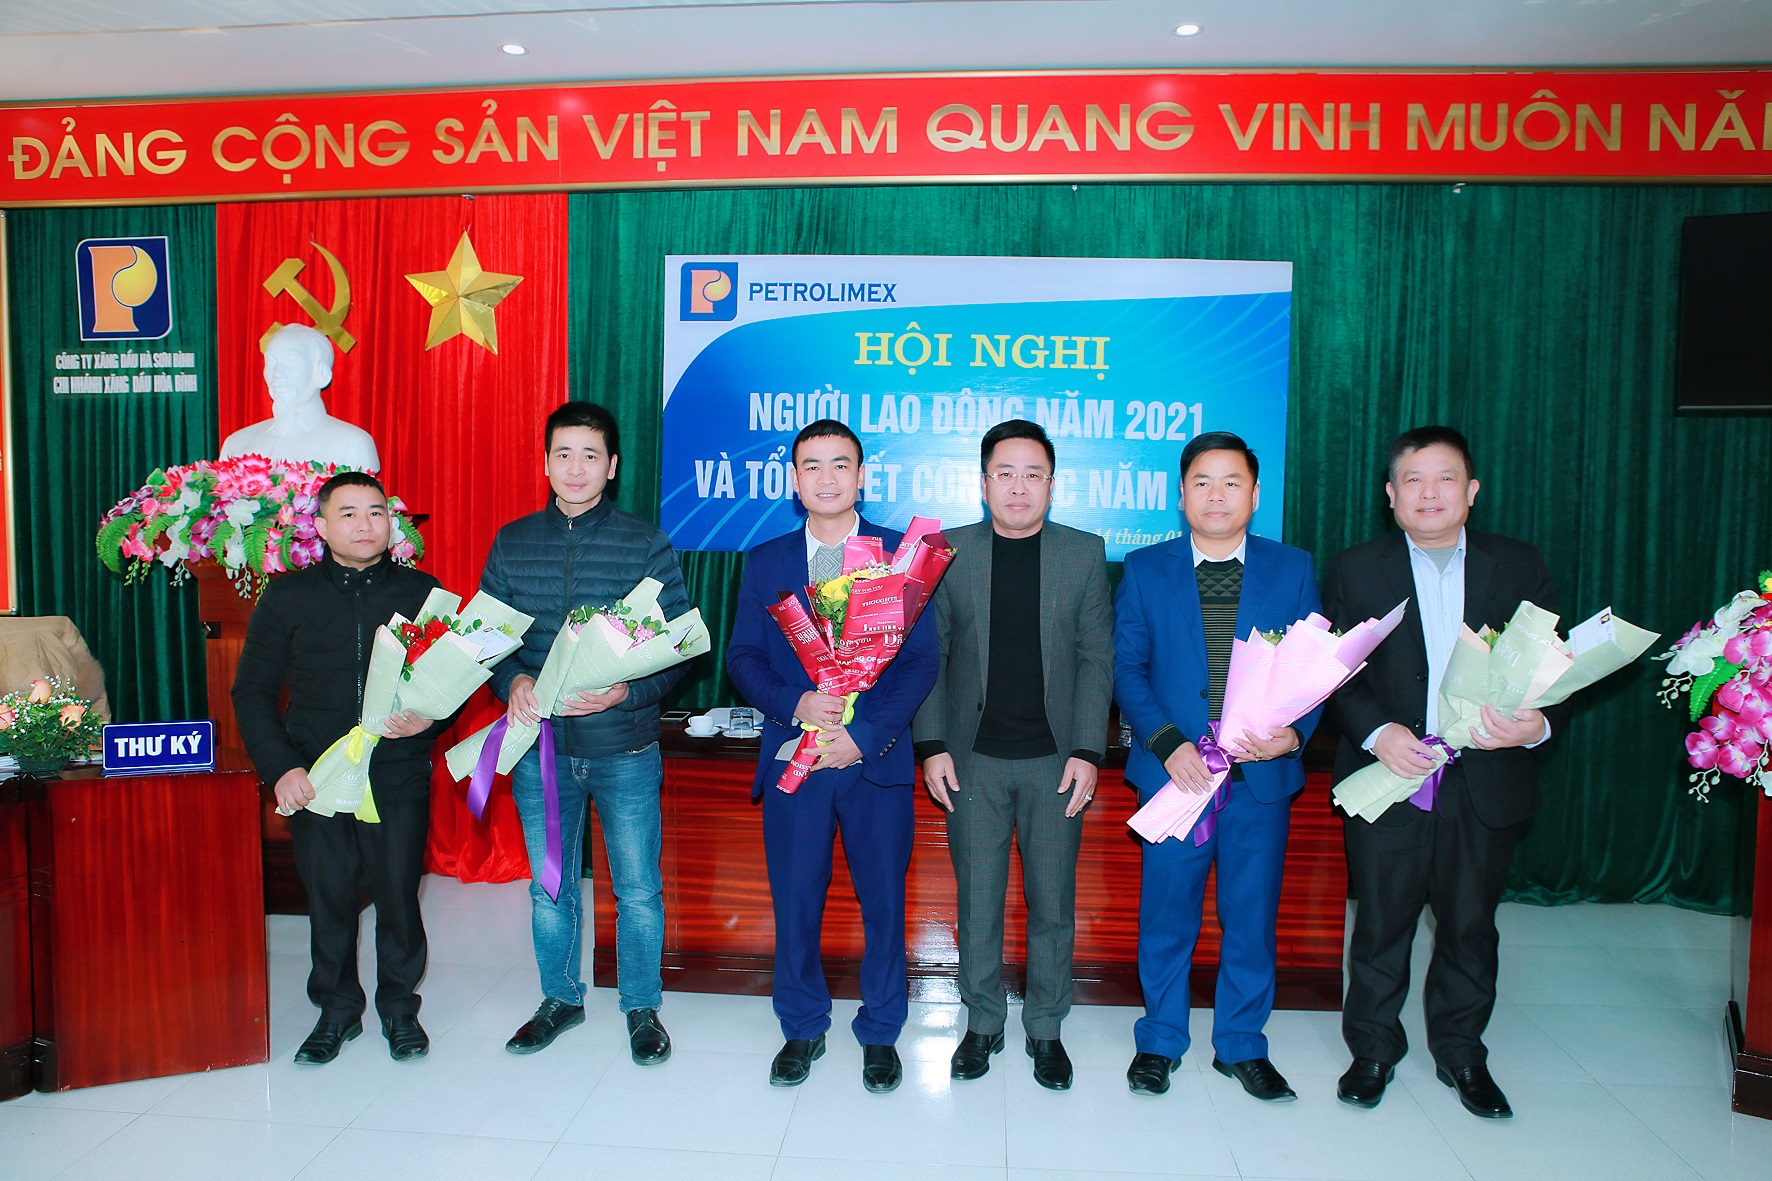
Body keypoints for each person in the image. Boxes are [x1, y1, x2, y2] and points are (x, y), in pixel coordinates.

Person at [1322, 425, 1564, 1120]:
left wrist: (1538, 725)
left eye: (1446, 478)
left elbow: (1554, 668)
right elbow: (1335, 671)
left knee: (1470, 925)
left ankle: (1462, 1053)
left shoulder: (1518, 565)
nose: (1430, 493)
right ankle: (1373, 1050)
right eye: (1414, 480)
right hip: (1391, 773)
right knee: (1380, 924)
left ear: (1472, 490)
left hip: (1484, 777)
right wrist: (1378, 732)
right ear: (1391, 494)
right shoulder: (1355, 569)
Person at [725, 419, 938, 1094]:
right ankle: (801, 1023)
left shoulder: (898, 557)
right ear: (794, 480)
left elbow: (921, 662)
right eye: (811, 466)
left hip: (873, 762)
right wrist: (795, 701)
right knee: (795, 901)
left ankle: (881, 1029)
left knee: (884, 904)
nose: (827, 477)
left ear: (862, 475)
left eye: (841, 464)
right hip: (796, 758)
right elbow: (742, 657)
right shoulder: (765, 561)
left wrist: (863, 733)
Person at [479, 402, 693, 1065]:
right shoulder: (512, 542)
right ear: (545, 462)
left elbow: (680, 646)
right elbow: (487, 642)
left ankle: (641, 1006)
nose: (576, 468)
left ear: (613, 466)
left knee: (637, 889)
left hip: (623, 746)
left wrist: (630, 690)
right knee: (549, 887)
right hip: (539, 750)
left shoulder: (645, 543)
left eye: (590, 455)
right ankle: (560, 998)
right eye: (564, 454)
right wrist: (512, 680)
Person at [1113, 432, 1322, 1103]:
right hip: (1176, 776)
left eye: (1232, 482)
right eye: (1202, 481)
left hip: (1259, 779)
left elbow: (1317, 668)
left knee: (1251, 918)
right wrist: (1168, 742)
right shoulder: (1146, 568)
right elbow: (1127, 668)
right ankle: (1159, 1040)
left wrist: (1294, 736)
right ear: (1181, 495)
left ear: (1255, 494)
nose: (1217, 494)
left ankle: (1241, 1044)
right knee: (1167, 916)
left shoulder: (1292, 568)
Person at [911, 419, 1113, 1091]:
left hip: (1056, 763)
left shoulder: (1083, 553)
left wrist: (1088, 749)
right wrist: (932, 744)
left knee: (1053, 903)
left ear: (1052, 484)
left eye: (1033, 474)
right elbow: (929, 656)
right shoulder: (950, 552)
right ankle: (983, 1022)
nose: (1018, 486)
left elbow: (1096, 658)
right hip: (973, 762)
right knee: (979, 901)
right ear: (983, 482)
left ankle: (1046, 1027)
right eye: (1005, 473)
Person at [233, 470, 444, 1065]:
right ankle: (336, 1010)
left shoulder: (422, 593)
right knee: (328, 898)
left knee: (398, 896)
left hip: (396, 773)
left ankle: (399, 1008)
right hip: (316, 778)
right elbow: (251, 692)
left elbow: (450, 682)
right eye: (348, 513)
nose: (364, 524)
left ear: (391, 523)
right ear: (321, 526)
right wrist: (281, 768)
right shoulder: (288, 596)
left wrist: (429, 721)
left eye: (376, 512)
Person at [220, 323, 380, 470]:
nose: (277, 374)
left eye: (291, 361)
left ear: (322, 374)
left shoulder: (352, 444)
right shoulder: (237, 444)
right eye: (271, 362)